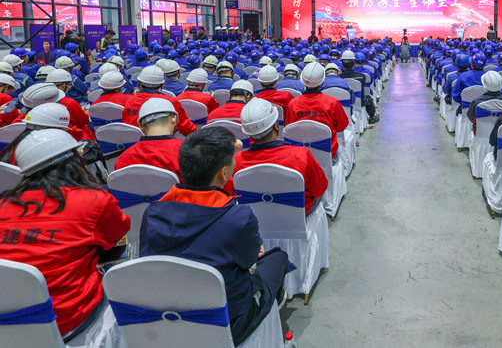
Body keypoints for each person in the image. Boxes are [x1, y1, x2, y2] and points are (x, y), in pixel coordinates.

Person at [139, 128, 289, 345]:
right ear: (223, 173)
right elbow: (249, 261)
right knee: (278, 258)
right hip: (229, 323)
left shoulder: (152, 214)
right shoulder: (238, 218)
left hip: (171, 316)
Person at [0, 129, 130, 339]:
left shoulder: (3, 205)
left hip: (9, 320)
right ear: (75, 161)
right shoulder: (95, 201)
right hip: (70, 318)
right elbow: (117, 235)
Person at [232, 99, 328, 214]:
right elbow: (319, 189)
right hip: (297, 217)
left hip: (254, 218)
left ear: (248, 133)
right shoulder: (301, 155)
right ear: (276, 125)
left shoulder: (236, 161)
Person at [286, 62, 350, 161]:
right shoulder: (332, 103)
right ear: (322, 81)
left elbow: (289, 131)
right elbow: (341, 126)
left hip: (300, 157)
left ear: (302, 80)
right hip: (328, 157)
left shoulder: (292, 104)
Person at [121, 66, 196, 136]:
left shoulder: (130, 101)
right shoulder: (171, 102)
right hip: (162, 143)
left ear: (140, 84)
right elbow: (186, 128)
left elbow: (126, 125)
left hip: (133, 143)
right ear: (162, 84)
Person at [340, 51, 379, 124]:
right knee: (368, 98)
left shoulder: (340, 78)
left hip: (343, 103)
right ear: (353, 62)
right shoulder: (362, 76)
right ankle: (372, 117)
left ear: (342, 63)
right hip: (359, 103)